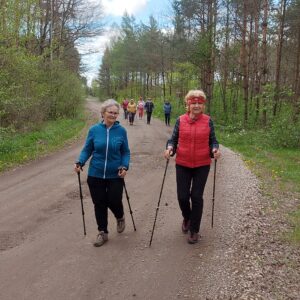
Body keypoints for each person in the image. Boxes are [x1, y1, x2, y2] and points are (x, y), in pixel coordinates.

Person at [164, 90, 221, 244]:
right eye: (193, 102)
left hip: (202, 164)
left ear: (203, 105)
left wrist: (214, 150)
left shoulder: (208, 121)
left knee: (196, 196)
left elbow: (213, 141)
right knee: (182, 196)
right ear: (187, 104)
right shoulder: (180, 120)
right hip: (183, 163)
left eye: (200, 103)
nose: (196, 105)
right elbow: (173, 140)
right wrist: (170, 149)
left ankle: (194, 229)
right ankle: (187, 217)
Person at [74, 99, 130, 247]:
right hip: (96, 173)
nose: (113, 115)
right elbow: (87, 149)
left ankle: (120, 216)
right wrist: (80, 161)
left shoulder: (121, 131)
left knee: (114, 199)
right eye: (110, 112)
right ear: (103, 113)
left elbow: (125, 152)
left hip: (115, 173)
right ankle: (103, 232)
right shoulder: (94, 130)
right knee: (99, 203)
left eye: (115, 113)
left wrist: (124, 166)